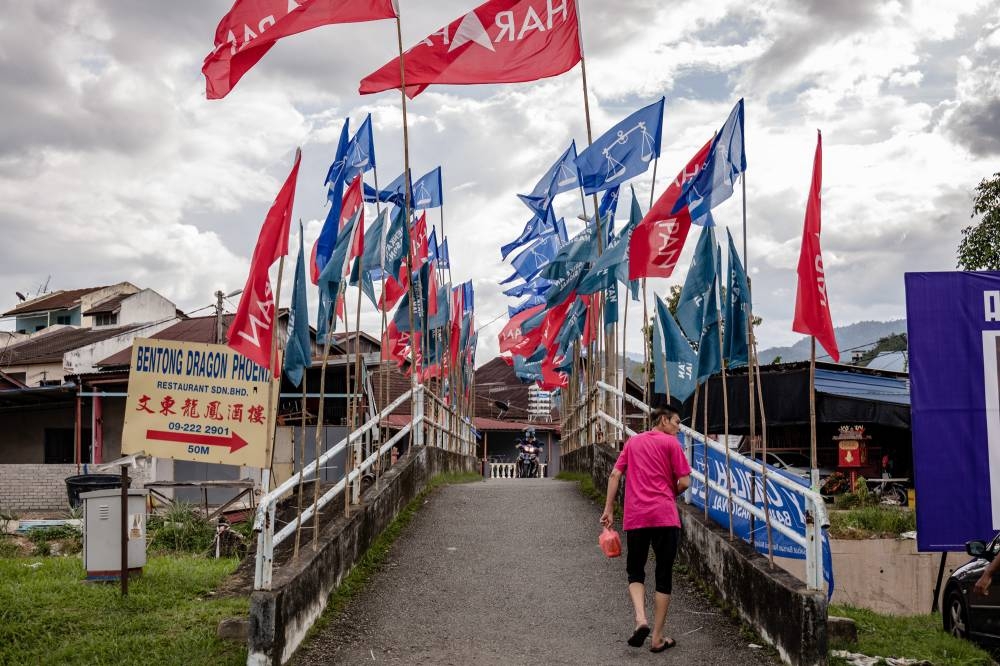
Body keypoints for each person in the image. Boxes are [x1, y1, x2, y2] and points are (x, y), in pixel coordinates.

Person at [600, 405, 691, 653]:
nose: (678, 427)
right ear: (663, 420)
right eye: (676, 422)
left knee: (635, 571)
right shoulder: (672, 444)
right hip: (665, 516)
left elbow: (614, 475)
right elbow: (684, 481)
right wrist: (668, 493)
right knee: (663, 573)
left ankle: (641, 619)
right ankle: (657, 638)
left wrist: (608, 509)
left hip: (637, 516)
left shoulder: (632, 443)